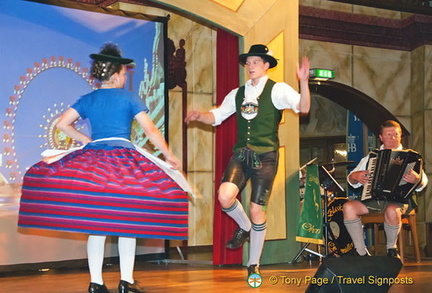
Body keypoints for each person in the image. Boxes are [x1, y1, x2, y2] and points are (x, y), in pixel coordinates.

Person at [18, 43, 189, 293]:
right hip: (125, 165)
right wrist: (169, 155)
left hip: (94, 166)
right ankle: (126, 281)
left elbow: (62, 124)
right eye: (124, 73)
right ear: (118, 74)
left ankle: (96, 283)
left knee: (96, 226)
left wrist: (86, 141)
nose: (124, 77)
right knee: (127, 222)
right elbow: (151, 130)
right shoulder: (129, 97)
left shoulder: (88, 99)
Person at [185, 44, 311, 278]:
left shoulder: (278, 90)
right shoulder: (237, 93)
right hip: (242, 154)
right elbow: (217, 116)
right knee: (224, 196)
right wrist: (198, 116)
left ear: (266, 65)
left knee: (256, 210)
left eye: (256, 62)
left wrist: (303, 81)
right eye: (248, 62)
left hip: (266, 155)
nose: (250, 66)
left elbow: (303, 108)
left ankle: (254, 263)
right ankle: (243, 227)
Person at [343, 120, 428, 258]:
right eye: (388, 134)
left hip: (400, 200)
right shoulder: (372, 157)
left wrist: (416, 180)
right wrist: (355, 176)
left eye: (396, 134)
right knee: (349, 207)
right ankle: (361, 252)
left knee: (391, 210)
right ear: (381, 137)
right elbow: (352, 181)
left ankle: (391, 250)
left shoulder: (411, 156)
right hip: (373, 199)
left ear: (400, 136)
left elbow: (422, 183)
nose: (392, 138)